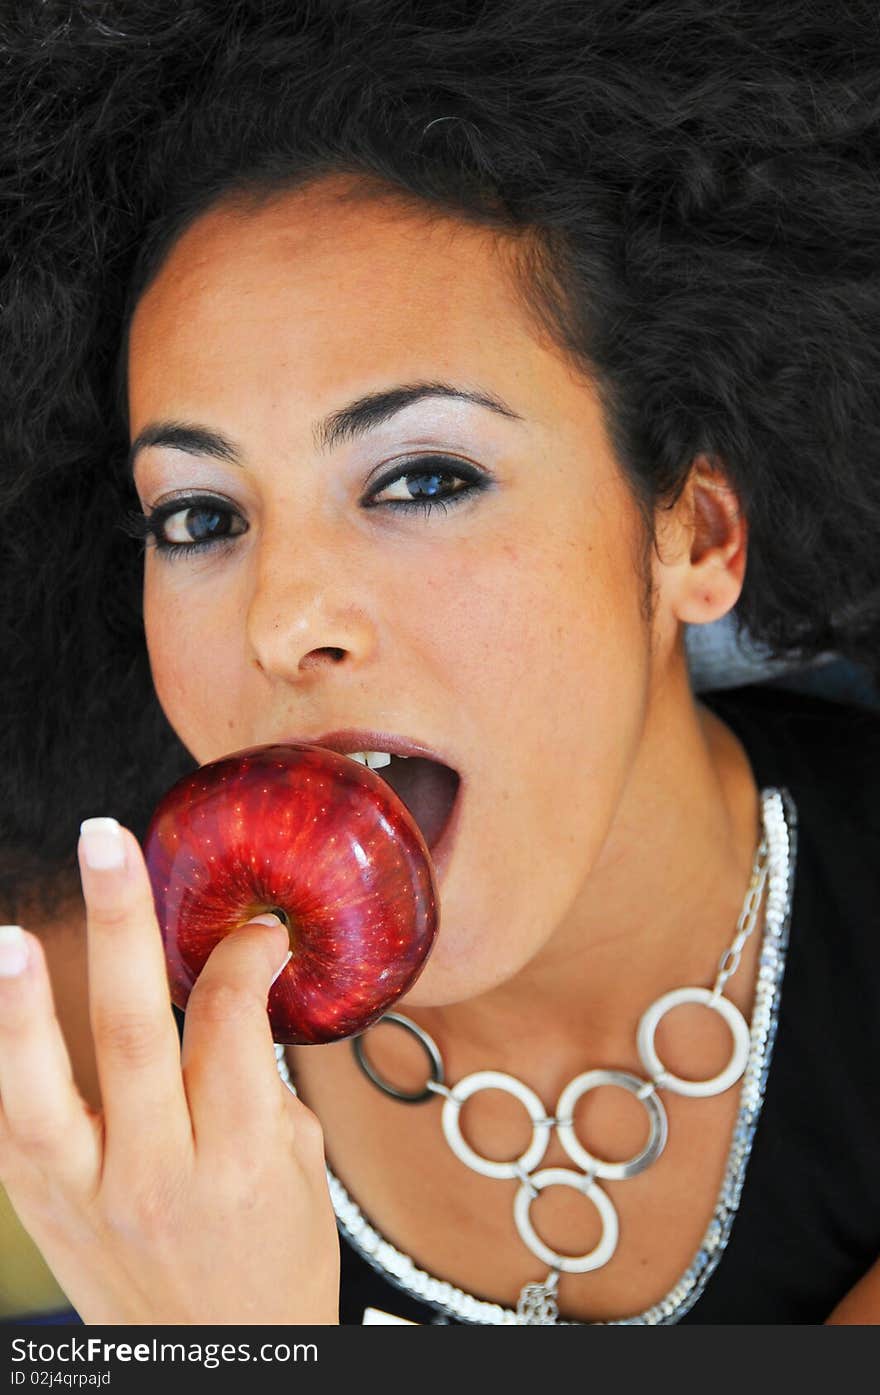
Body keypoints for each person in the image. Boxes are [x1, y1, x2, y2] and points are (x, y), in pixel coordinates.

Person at [1, 2, 879, 1327]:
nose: (279, 621)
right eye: (198, 516)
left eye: (423, 478)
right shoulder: (76, 1054)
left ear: (693, 531)